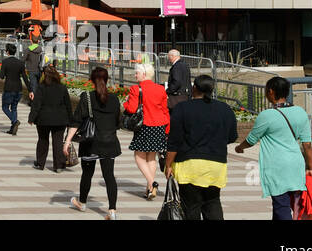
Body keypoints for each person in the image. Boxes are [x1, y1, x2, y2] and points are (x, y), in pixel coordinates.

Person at [236, 76, 312, 220]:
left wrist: (239, 148)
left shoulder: (267, 115)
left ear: (271, 92)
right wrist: (310, 167)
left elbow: (252, 139)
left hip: (277, 166)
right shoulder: (300, 112)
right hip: (296, 164)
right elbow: (307, 144)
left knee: (281, 205)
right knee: (295, 204)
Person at [165, 75, 239, 220]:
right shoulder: (224, 109)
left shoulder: (182, 108)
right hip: (216, 165)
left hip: (189, 166)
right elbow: (232, 136)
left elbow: (174, 141)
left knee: (191, 206)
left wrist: (168, 165)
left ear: (194, 88)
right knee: (213, 203)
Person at [63, 66, 121, 219]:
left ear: (91, 81)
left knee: (87, 174)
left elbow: (76, 121)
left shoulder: (87, 97)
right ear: (107, 79)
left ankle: (82, 203)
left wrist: (67, 141)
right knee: (109, 176)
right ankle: (112, 211)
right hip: (109, 142)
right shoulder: (114, 100)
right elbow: (118, 123)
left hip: (91, 143)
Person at [123, 63, 170, 199]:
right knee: (151, 157)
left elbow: (131, 109)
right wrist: (167, 128)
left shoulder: (135, 89)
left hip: (144, 126)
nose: (135, 75)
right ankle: (149, 189)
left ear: (143, 74)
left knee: (139, 156)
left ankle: (151, 183)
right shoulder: (160, 89)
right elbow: (165, 109)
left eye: (136, 73)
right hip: (159, 125)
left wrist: (125, 102)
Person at [29, 63, 73, 171]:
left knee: (43, 140)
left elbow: (36, 104)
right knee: (57, 142)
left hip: (43, 119)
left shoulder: (42, 87)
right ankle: (58, 165)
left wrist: (31, 118)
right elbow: (68, 105)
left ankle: (40, 163)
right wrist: (71, 121)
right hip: (60, 120)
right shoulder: (62, 88)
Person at [0, 43, 25, 135]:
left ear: (7, 52)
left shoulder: (5, 62)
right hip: (19, 88)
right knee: (14, 108)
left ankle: (14, 121)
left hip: (8, 88)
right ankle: (12, 129)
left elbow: (1, 76)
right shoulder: (20, 63)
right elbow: (25, 77)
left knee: (5, 107)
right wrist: (31, 90)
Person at [22, 34, 43, 103]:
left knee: (33, 86)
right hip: (40, 70)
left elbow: (23, 60)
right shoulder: (41, 49)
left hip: (31, 70)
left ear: (31, 41)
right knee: (37, 85)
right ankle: (38, 100)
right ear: (38, 41)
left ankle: (33, 102)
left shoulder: (28, 50)